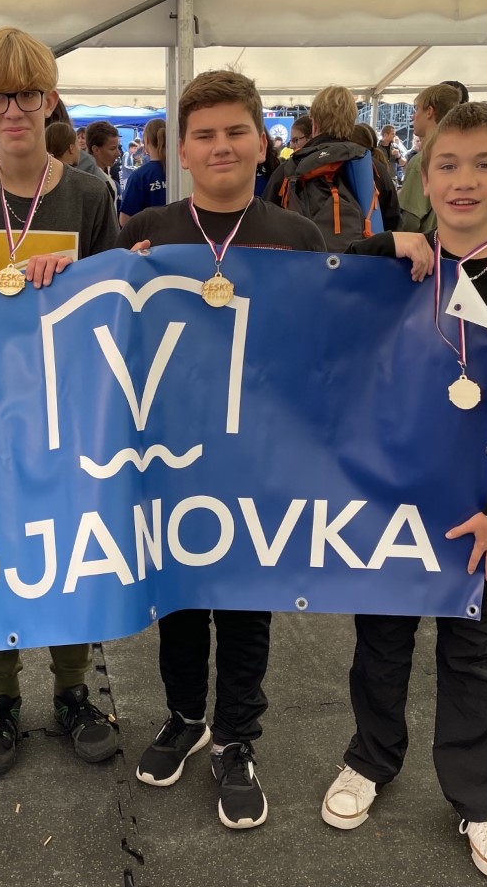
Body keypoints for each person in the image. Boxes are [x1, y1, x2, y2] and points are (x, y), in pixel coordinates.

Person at [321, 101, 487, 884]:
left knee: (472, 656)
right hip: (390, 503)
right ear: (423, 180)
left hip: (483, 516)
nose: (465, 181)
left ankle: (478, 798)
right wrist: (379, 243)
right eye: (448, 166)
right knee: (380, 643)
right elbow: (307, 284)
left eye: (484, 164)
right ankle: (371, 757)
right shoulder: (392, 270)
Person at [117, 69, 327, 831]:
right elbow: (106, 332)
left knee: (244, 605)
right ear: (180, 150)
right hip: (169, 453)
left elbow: (326, 343)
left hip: (258, 456)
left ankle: (237, 737)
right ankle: (186, 716)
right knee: (177, 599)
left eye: (236, 131)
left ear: (263, 141)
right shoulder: (145, 230)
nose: (221, 146)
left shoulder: (298, 237)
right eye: (203, 135)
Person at [0, 26, 121, 777]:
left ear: (50, 100)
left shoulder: (90, 195)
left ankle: (73, 690)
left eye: (28, 94)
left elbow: (114, 308)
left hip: (71, 409)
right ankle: (0, 695)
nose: (13, 110)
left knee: (69, 552)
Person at [260, 85, 373, 251]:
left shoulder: (289, 169)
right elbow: (391, 223)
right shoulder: (371, 166)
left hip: (303, 262)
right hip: (360, 263)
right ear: (352, 121)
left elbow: (264, 223)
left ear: (315, 124)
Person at [398, 83, 462, 232]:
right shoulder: (460, 155)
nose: (413, 116)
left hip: (425, 243)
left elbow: (409, 222)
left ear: (429, 112)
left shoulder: (423, 160)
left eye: (417, 109)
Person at [350, 123, 402, 231]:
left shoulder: (353, 167)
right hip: (381, 233)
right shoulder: (380, 168)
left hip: (364, 233)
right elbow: (393, 215)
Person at [118, 117, 167, 225]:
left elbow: (124, 220)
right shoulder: (181, 174)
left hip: (150, 234)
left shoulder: (139, 176)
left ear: (147, 141)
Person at [87, 121, 122, 202]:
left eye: (118, 147)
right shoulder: (94, 182)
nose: (118, 153)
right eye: (112, 149)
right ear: (96, 150)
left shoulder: (108, 174)